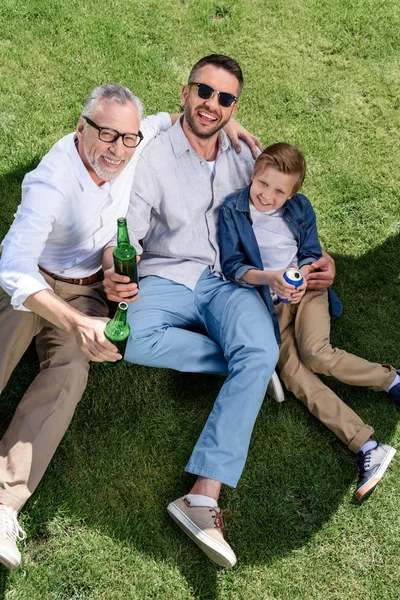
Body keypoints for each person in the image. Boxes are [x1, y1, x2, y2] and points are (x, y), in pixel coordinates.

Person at [102, 55, 336, 568]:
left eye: (225, 98)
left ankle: (201, 498)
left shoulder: (244, 156)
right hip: (168, 273)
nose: (212, 105)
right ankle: (245, 370)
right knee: (127, 339)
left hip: (229, 281)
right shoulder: (153, 156)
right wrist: (115, 269)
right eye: (204, 92)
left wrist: (323, 259)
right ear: (185, 93)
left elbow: (283, 204)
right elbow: (131, 236)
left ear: (235, 107)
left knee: (259, 348)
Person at [0, 83, 180, 570]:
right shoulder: (51, 181)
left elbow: (169, 117)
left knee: (71, 374)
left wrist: (111, 273)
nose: (117, 149)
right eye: (106, 134)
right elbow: (14, 267)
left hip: (86, 287)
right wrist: (79, 321)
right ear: (82, 129)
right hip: (32, 282)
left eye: (127, 138)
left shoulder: (134, 146)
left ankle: (3, 503)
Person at [219, 142, 399, 503]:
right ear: (254, 174)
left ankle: (390, 380)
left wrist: (300, 274)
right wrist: (273, 278)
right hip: (270, 305)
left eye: (280, 191)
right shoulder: (232, 211)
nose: (268, 195)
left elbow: (312, 251)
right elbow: (232, 267)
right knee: (295, 375)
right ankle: (367, 446)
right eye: (263, 184)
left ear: (293, 194)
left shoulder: (300, 208)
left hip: (307, 292)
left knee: (316, 354)